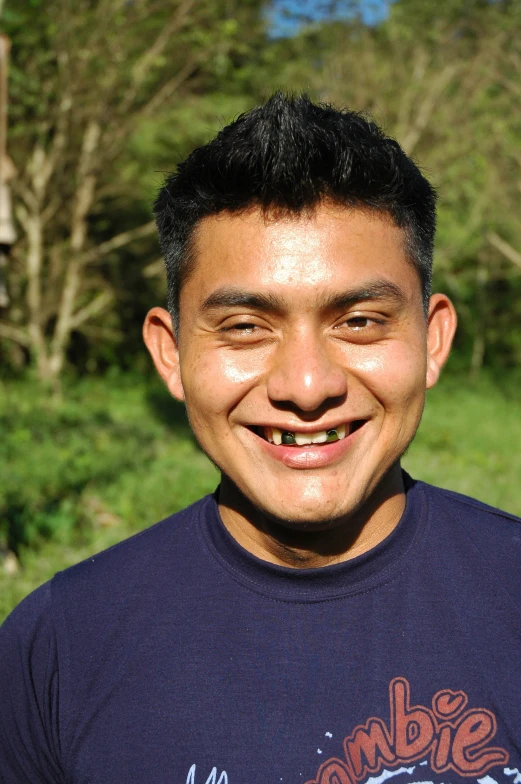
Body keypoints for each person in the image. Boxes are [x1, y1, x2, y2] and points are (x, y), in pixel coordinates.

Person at [1, 93, 520, 784]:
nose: (306, 387)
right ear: (170, 353)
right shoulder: (59, 645)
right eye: (245, 326)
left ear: (432, 340)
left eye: (359, 321)